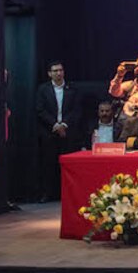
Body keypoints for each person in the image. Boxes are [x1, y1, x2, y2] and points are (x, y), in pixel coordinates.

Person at [36, 60, 81, 201]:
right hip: (49, 131)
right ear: (50, 74)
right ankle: (48, 193)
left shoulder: (72, 89)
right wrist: (55, 125)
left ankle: (68, 194)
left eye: (60, 70)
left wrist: (65, 125)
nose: (58, 73)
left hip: (68, 132)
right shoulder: (43, 89)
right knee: (48, 164)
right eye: (55, 71)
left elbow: (76, 110)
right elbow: (40, 110)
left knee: (68, 165)